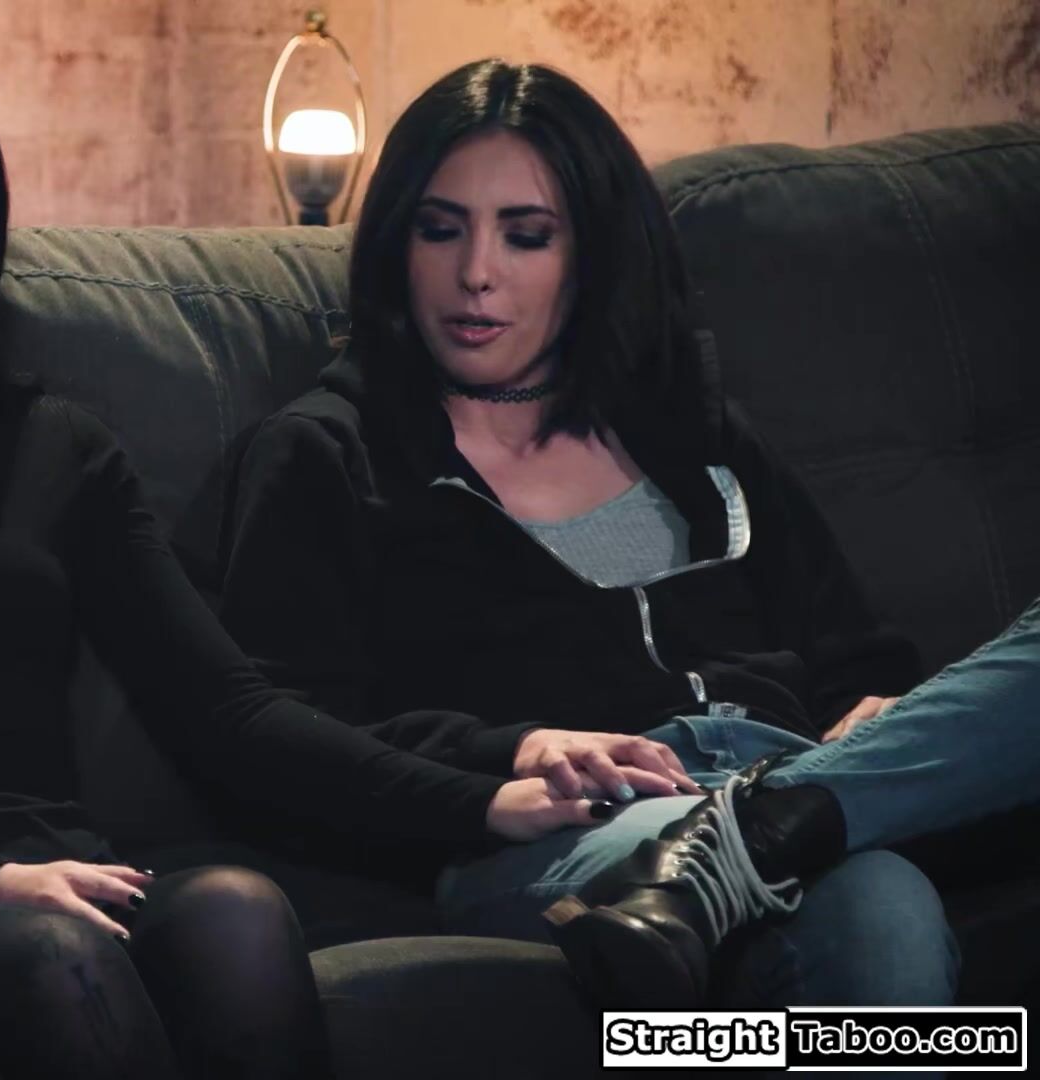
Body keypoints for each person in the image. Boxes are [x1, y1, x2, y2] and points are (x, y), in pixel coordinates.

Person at [0, 21, 621, 1078]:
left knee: (234, 909)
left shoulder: (55, 447)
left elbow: (232, 713)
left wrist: (483, 792)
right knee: (55, 957)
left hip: (69, 877)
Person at [219, 57, 1039, 1010]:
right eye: (440, 230)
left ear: (592, 253)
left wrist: (874, 710)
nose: (476, 273)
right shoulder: (330, 454)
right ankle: (754, 847)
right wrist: (515, 746)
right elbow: (289, 733)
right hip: (574, 828)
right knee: (869, 891)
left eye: (526, 235)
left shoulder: (692, 431)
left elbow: (858, 653)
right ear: (397, 243)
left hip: (798, 772)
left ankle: (761, 833)